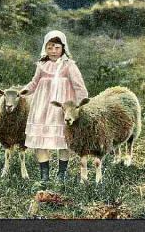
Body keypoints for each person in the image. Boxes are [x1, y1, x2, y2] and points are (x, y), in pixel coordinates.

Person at [21, 30, 88, 183]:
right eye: (50, 47)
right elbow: (34, 83)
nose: (53, 51)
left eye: (57, 47)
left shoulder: (69, 66)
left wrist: (81, 104)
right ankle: (44, 176)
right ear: (45, 48)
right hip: (43, 106)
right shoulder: (42, 65)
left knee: (64, 140)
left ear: (63, 48)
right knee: (40, 140)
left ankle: (61, 175)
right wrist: (23, 91)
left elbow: (79, 86)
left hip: (62, 108)